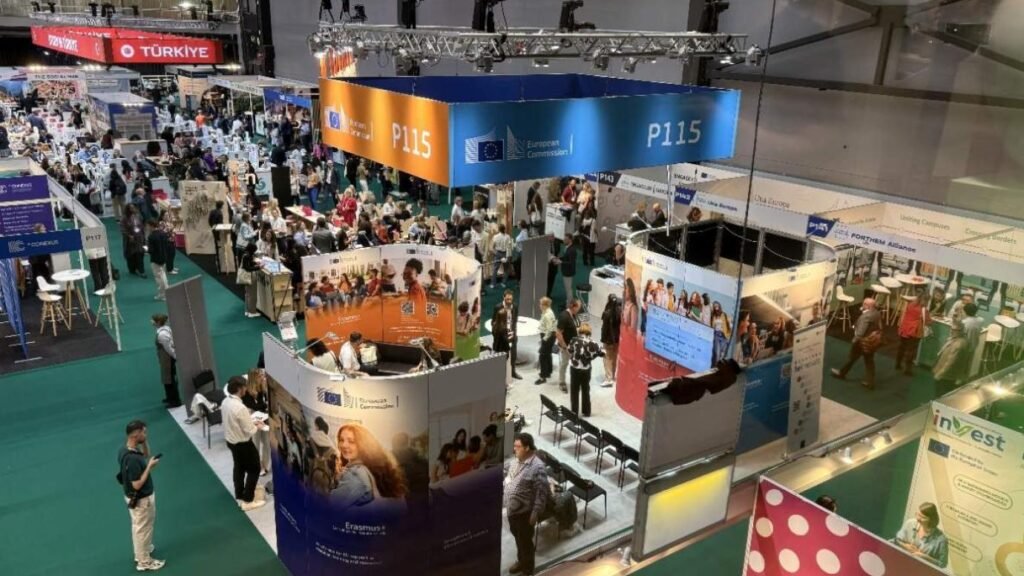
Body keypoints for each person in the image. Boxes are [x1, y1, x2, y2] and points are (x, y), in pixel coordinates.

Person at [118, 420, 165, 571]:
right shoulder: (132, 459)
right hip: (142, 499)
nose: (146, 434)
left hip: (133, 498)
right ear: (136, 434)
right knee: (143, 529)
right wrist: (149, 467)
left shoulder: (125, 450)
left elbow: (145, 455)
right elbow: (137, 484)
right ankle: (144, 561)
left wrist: (144, 441)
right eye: (144, 433)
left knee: (138, 527)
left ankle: (142, 550)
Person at [331, 423, 407, 510]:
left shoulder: (355, 474)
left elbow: (330, 507)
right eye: (341, 440)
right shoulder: (374, 468)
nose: (344, 445)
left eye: (351, 441)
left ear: (363, 445)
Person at [503, 433, 548, 576]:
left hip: (525, 514)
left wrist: (535, 513)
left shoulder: (537, 467)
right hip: (513, 512)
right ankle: (521, 561)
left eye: (517, 446)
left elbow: (541, 493)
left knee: (525, 542)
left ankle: (528, 570)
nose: (514, 449)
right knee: (518, 539)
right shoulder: (516, 461)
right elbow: (508, 477)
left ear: (527, 447)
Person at [223, 377, 268, 511]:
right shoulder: (240, 407)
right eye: (244, 387)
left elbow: (236, 422)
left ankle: (239, 495)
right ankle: (248, 500)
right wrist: (258, 426)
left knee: (239, 468)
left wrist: (250, 422)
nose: (246, 389)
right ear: (239, 389)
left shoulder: (226, 402)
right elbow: (250, 430)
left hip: (231, 441)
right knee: (254, 469)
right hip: (243, 444)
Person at [831, 298, 883, 389]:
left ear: (867, 306)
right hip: (871, 342)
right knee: (869, 361)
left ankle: (841, 373)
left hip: (861, 342)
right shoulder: (876, 313)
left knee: (852, 358)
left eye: (864, 304)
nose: (862, 305)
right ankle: (870, 382)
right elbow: (879, 326)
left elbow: (860, 332)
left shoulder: (866, 317)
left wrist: (854, 341)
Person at [893, 502, 948, 568]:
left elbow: (942, 564)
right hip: (901, 563)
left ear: (931, 520)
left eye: (923, 517)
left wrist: (924, 557)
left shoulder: (941, 540)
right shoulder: (910, 523)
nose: (918, 519)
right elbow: (896, 540)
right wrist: (905, 546)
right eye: (918, 514)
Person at [567, 323, 605, 416]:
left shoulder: (573, 340)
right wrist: (592, 356)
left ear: (580, 331)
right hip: (586, 370)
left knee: (574, 391)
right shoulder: (593, 343)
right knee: (585, 390)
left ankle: (574, 413)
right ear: (589, 332)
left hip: (574, 369)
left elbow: (569, 350)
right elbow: (602, 353)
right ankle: (586, 411)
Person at [896, 292, 931, 376]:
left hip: (904, 328)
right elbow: (928, 322)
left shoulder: (910, 305)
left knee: (901, 347)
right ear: (926, 300)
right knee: (911, 351)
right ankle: (907, 370)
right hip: (914, 332)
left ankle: (897, 364)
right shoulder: (924, 310)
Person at [152, 315, 181, 408]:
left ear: (158, 322)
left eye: (153, 320)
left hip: (167, 358)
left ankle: (175, 400)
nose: (151, 322)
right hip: (165, 357)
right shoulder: (165, 329)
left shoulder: (162, 335)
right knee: (166, 378)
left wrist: (175, 356)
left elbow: (168, 348)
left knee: (169, 379)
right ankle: (169, 397)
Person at [494, 290, 522, 379]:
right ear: (503, 297)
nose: (509, 301)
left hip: (512, 336)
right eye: (507, 299)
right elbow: (494, 322)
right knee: (502, 357)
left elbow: (515, 321)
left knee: (513, 356)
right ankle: (500, 376)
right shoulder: (498, 307)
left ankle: (513, 372)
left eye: (511, 299)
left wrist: (514, 334)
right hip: (502, 338)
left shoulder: (515, 306)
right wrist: (497, 335)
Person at [556, 299, 582, 393]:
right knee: (564, 364)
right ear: (573, 307)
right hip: (566, 346)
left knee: (576, 364)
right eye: (578, 307)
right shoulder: (564, 317)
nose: (579, 309)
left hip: (574, 345)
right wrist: (564, 347)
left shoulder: (574, 315)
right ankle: (562, 382)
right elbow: (558, 333)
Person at [600, 295, 622, 387]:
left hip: (608, 340)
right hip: (617, 340)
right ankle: (613, 376)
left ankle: (608, 379)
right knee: (614, 357)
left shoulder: (607, 314)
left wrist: (603, 339)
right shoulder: (621, 313)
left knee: (607, 359)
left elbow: (605, 329)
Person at [536, 297, 558, 385]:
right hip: (550, 337)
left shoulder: (547, 315)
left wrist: (544, 340)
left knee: (542, 356)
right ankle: (548, 371)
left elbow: (549, 330)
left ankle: (543, 376)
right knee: (548, 354)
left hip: (547, 337)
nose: (539, 306)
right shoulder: (548, 311)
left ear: (545, 305)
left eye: (541, 304)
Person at [146, 221, 170, 301]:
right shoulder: (163, 233)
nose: (147, 227)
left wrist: (146, 249)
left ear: (151, 226)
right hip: (164, 257)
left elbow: (151, 250)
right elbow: (167, 245)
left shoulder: (151, 236)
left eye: (148, 226)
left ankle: (163, 294)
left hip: (155, 259)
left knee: (159, 278)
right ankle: (165, 293)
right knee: (163, 275)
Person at [121, 204, 147, 277]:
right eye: (131, 208)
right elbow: (123, 229)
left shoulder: (138, 216)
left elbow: (142, 226)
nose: (133, 209)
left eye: (134, 207)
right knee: (131, 255)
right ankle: (132, 269)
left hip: (139, 238)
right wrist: (129, 236)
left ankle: (141, 271)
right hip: (130, 240)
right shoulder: (124, 218)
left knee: (140, 254)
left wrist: (143, 236)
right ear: (128, 209)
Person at [560, 234, 577, 307]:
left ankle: (569, 305)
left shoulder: (572, 250)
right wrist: (559, 258)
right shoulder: (567, 247)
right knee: (568, 288)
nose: (563, 240)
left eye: (565, 239)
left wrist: (561, 262)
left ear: (570, 240)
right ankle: (570, 302)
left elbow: (571, 263)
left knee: (568, 289)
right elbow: (565, 257)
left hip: (568, 272)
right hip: (566, 271)